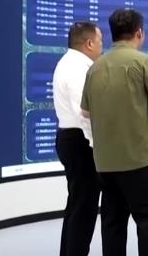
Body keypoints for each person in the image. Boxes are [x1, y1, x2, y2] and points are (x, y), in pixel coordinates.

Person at [81, 8, 148, 256]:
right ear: (139, 33)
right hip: (142, 161)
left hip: (106, 165)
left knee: (113, 226)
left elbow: (86, 111)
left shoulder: (95, 67)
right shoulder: (144, 62)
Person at [53, 21, 103, 256]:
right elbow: (84, 113)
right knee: (84, 210)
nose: (102, 46)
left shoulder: (69, 63)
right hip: (80, 141)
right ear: (89, 43)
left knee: (77, 206)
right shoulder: (77, 68)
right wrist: (97, 145)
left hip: (72, 139)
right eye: (100, 41)